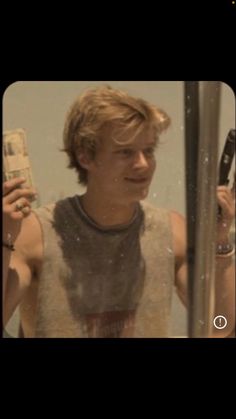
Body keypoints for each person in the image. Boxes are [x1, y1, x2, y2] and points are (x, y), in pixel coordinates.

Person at [3, 85, 235, 338]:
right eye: (126, 152)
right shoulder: (36, 235)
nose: (143, 164)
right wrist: (5, 240)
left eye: (148, 150)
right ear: (85, 157)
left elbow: (218, 326)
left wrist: (220, 244)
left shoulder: (173, 232)